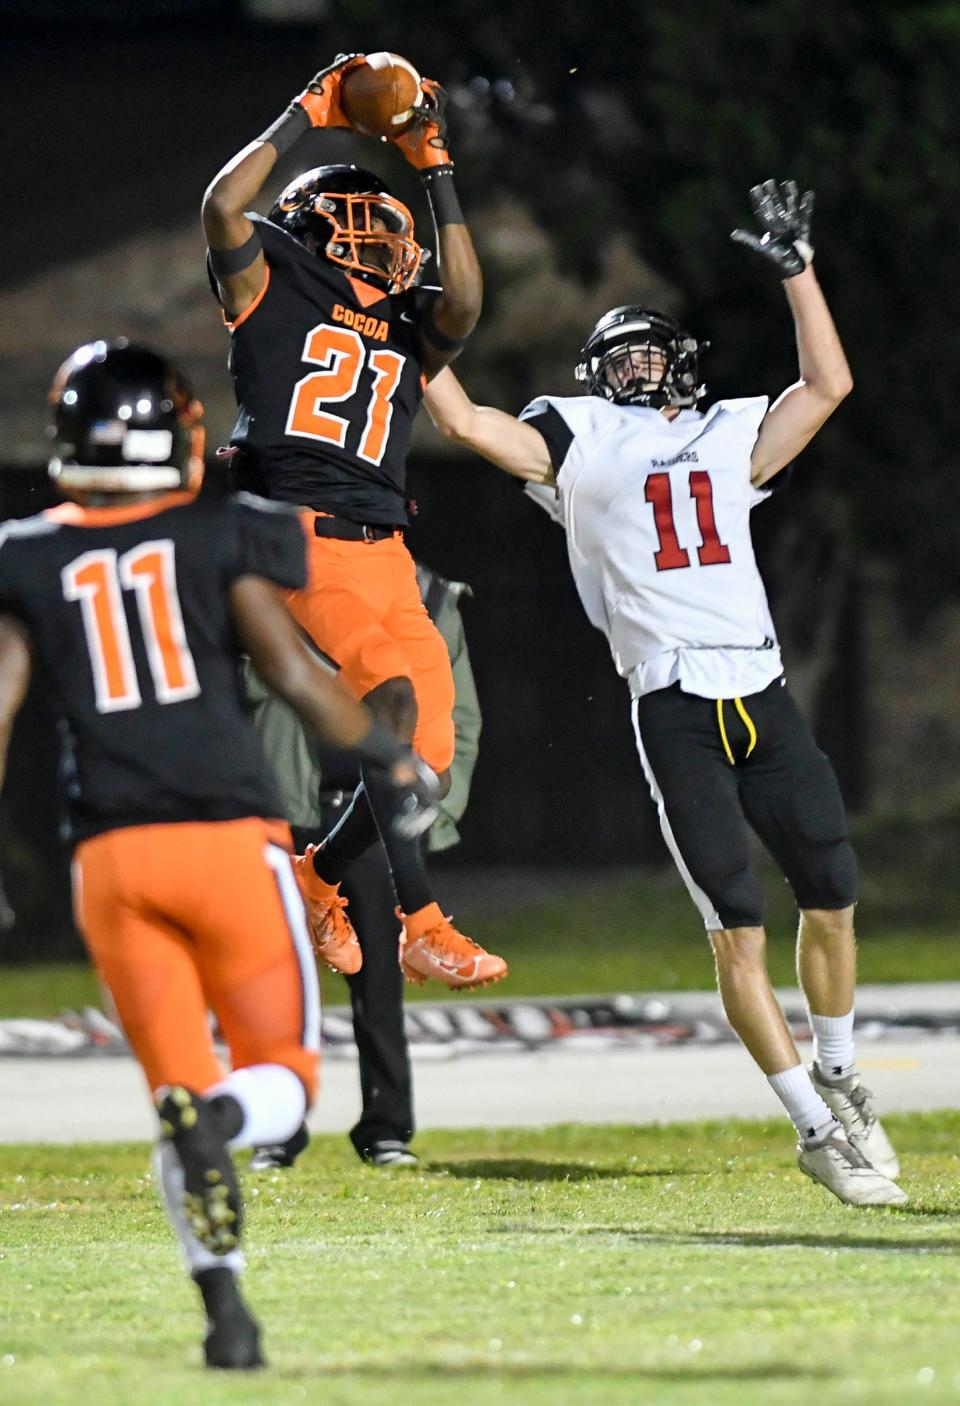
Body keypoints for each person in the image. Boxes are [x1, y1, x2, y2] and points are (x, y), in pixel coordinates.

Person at [422, 180, 906, 1208]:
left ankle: (838, 1066)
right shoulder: (576, 432)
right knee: (736, 922)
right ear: (597, 373)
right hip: (675, 699)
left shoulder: (732, 428)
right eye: (622, 354)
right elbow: (467, 423)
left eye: (654, 351)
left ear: (683, 366)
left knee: (834, 891)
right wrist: (421, 336)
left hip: (760, 685)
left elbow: (827, 386)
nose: (640, 365)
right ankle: (816, 1131)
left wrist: (797, 270)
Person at [0, 340, 437, 1370]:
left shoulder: (25, 550)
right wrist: (387, 753)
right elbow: (291, 671)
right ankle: (226, 1123)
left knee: (178, 1093)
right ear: (179, 434)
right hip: (227, 837)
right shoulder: (221, 530)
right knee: (275, 1076)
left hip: (109, 859)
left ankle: (226, 1316)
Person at [201, 54, 505, 991]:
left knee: (430, 756)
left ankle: (318, 875)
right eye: (354, 217)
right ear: (307, 226)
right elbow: (222, 206)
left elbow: (464, 300)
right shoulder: (269, 283)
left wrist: (436, 165)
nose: (375, 234)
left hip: (385, 548)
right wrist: (310, 112)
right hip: (294, 531)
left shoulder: (411, 319)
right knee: (394, 708)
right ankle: (421, 922)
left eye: (386, 221)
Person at [244, 561, 481, 1168]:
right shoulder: (260, 581)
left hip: (372, 816)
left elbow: (460, 718)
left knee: (378, 974)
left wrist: (427, 812)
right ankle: (276, 1123)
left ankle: (386, 1127)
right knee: (272, 977)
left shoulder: (425, 592)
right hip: (285, 805)